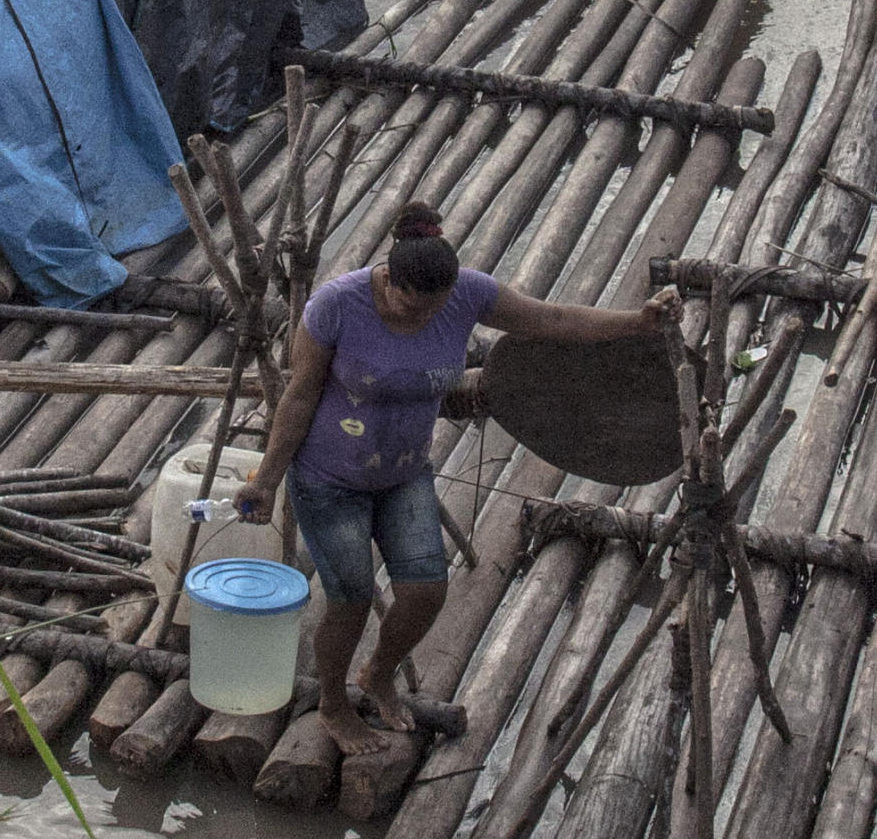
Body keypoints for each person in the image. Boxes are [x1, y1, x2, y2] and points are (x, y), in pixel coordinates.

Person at [234, 202, 658, 740]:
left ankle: (380, 674)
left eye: (435, 311)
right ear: (388, 278)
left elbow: (552, 320)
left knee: (426, 590)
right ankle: (334, 704)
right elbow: (298, 396)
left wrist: (635, 323)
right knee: (351, 598)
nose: (422, 319)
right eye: (410, 306)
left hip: (405, 472)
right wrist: (267, 481)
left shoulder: (468, 293)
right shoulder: (336, 306)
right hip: (329, 478)